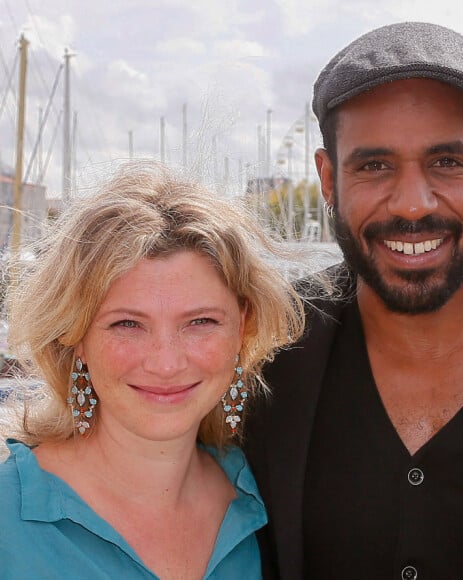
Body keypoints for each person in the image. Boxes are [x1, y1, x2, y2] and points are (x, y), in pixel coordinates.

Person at [244, 21, 463, 580]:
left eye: (446, 162)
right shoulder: (260, 352)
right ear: (328, 180)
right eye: (374, 166)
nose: (414, 204)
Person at [0, 160, 304, 579]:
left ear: (243, 327)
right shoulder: (7, 518)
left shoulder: (270, 500)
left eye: (200, 322)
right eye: (127, 324)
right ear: (75, 334)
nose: (165, 362)